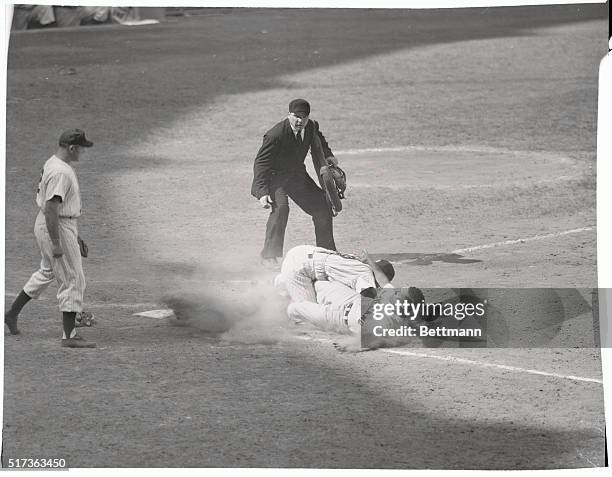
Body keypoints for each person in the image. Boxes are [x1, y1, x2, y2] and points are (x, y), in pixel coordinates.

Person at [4, 129, 96, 348]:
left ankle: (11, 314)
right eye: (81, 148)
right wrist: (58, 242)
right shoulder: (61, 173)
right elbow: (52, 209)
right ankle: (69, 336)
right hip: (54, 225)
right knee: (73, 278)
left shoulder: (54, 163)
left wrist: (74, 235)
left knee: (47, 272)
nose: (83, 151)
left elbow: (57, 208)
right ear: (72, 148)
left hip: (57, 224)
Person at [251, 99, 339, 266]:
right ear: (289, 115)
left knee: (322, 206)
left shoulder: (311, 126)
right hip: (275, 179)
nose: (300, 121)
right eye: (296, 116)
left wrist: (328, 154)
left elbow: (318, 139)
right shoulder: (275, 135)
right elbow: (261, 163)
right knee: (281, 209)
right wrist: (261, 192)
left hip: (297, 176)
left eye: (304, 117)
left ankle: (327, 252)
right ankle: (269, 256)